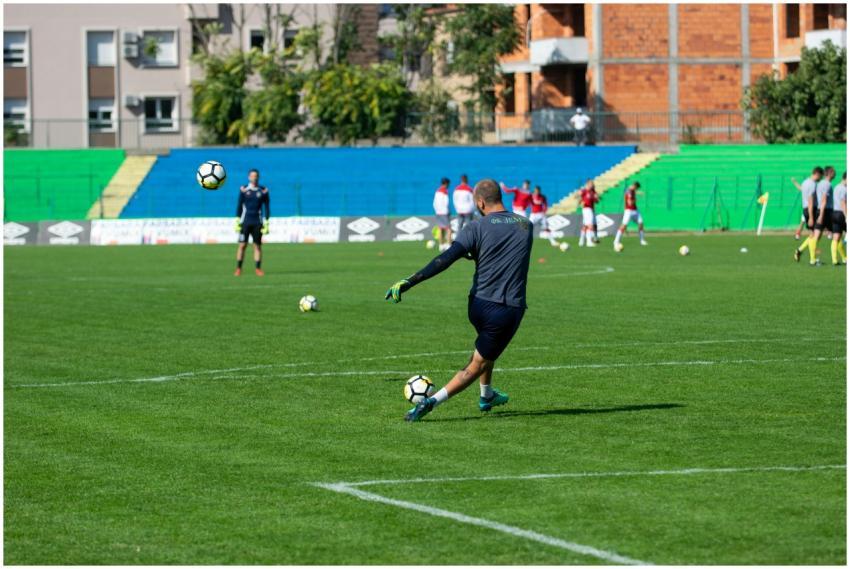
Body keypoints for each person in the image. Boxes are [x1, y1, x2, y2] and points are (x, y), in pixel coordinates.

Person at [385, 179, 533, 422]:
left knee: (487, 349)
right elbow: (505, 250)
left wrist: (410, 281)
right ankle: (430, 403)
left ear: (480, 202)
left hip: (477, 304)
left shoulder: (475, 227)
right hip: (506, 309)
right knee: (477, 363)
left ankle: (487, 396)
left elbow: (445, 259)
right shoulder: (525, 225)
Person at [234, 168, 270, 276]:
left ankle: (258, 269)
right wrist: (237, 220)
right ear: (249, 177)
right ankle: (238, 268)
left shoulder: (263, 191)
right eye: (252, 176)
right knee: (242, 245)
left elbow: (267, 207)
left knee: (257, 246)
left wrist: (267, 222)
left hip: (257, 222)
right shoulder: (244, 190)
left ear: (258, 177)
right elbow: (239, 205)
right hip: (245, 222)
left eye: (256, 176)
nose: (254, 178)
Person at [792, 167, 822, 264]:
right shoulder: (813, 184)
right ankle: (812, 260)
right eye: (820, 176)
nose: (820, 178)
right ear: (817, 174)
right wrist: (811, 217)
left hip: (806, 209)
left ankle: (799, 251)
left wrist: (795, 183)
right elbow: (810, 200)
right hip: (810, 209)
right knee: (814, 234)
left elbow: (801, 190)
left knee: (813, 234)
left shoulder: (805, 182)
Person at [808, 166, 837, 266]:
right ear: (829, 173)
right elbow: (824, 200)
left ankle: (812, 260)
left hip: (821, 211)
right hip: (826, 212)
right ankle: (837, 260)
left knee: (816, 236)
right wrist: (821, 215)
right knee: (837, 234)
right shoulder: (827, 184)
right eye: (833, 172)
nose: (835, 173)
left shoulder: (820, 184)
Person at [613, 181, 648, 248]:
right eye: (637, 188)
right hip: (629, 211)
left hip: (635, 210)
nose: (636, 190)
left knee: (641, 223)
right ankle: (616, 241)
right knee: (623, 226)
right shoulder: (629, 192)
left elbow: (633, 192)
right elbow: (630, 203)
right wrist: (636, 199)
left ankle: (642, 240)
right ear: (635, 186)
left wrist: (638, 193)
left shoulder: (631, 190)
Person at [830, 171, 847, 266]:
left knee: (836, 237)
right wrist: (846, 216)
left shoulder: (836, 187)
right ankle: (844, 258)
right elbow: (843, 203)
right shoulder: (844, 189)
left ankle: (835, 260)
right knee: (844, 237)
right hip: (841, 213)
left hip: (835, 213)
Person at [433, 177, 452, 252]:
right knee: (448, 228)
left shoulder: (437, 191)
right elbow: (446, 202)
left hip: (438, 212)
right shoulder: (445, 191)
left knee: (440, 228)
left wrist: (437, 210)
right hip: (444, 212)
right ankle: (448, 245)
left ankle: (441, 245)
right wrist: (448, 211)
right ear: (447, 183)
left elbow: (434, 203)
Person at [578, 180, 599, 247]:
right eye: (591, 184)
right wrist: (580, 202)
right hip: (586, 209)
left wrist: (597, 198)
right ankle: (589, 242)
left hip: (591, 209)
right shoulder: (584, 191)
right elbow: (578, 197)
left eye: (592, 184)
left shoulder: (593, 192)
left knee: (585, 225)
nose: (592, 185)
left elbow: (596, 201)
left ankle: (581, 241)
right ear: (587, 184)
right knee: (590, 225)